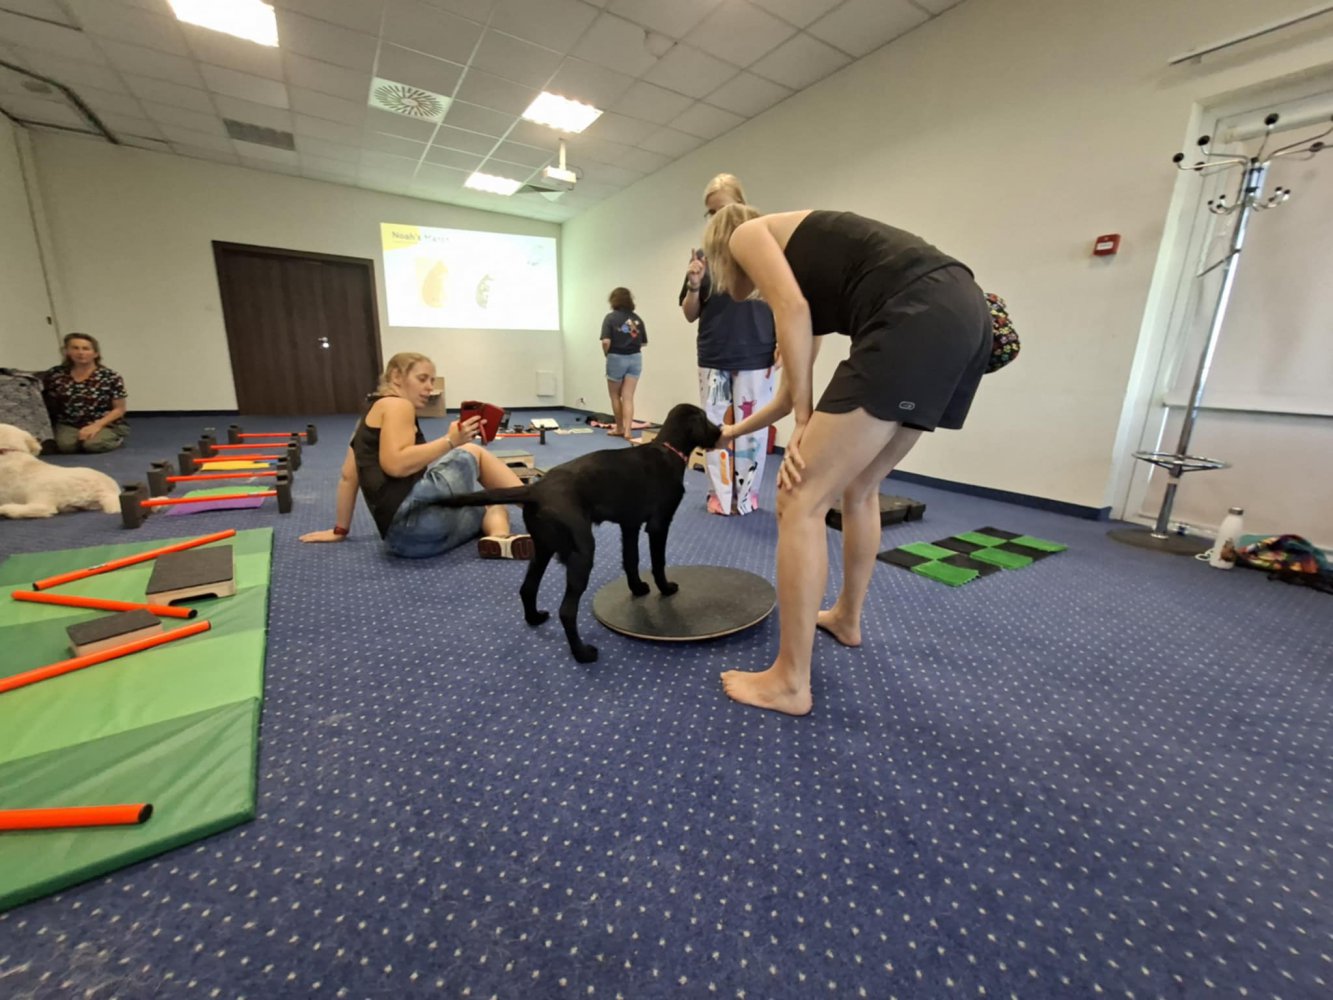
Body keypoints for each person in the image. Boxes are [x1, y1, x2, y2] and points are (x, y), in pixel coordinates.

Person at [704, 206, 991, 716]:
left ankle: (790, 682)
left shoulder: (748, 233)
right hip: (965, 315)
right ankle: (846, 618)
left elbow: (791, 313)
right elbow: (790, 392)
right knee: (860, 487)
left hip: (914, 312)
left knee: (799, 499)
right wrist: (727, 432)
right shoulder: (807, 271)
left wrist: (804, 423)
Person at [300, 352, 533, 559]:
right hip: (415, 516)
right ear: (396, 376)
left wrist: (340, 530)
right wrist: (451, 440)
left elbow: (348, 477)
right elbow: (396, 465)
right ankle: (538, 505)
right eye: (422, 379)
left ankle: (499, 538)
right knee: (474, 452)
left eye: (431, 380)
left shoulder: (367, 416)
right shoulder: (397, 405)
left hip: (403, 543)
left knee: (491, 503)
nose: (429, 387)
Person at [681, 174, 778, 515]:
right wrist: (694, 284)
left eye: (723, 209)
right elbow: (690, 313)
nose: (717, 218)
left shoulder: (766, 245)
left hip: (758, 352)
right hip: (714, 354)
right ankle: (720, 495)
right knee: (716, 428)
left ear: (741, 206)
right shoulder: (703, 257)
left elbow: (782, 296)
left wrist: (784, 340)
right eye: (711, 212)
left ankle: (746, 495)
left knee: (753, 431)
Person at [42, 332, 129, 453]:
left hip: (103, 422)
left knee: (92, 445)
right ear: (67, 351)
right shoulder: (55, 374)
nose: (80, 352)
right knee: (65, 447)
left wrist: (96, 426)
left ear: (95, 353)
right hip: (69, 422)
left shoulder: (110, 376)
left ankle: (116, 437)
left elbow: (119, 409)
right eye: (75, 348)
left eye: (86, 349)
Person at [600, 287, 647, 440]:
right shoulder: (637, 319)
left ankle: (619, 427)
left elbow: (606, 342)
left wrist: (607, 354)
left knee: (615, 395)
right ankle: (628, 431)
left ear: (613, 300)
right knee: (628, 396)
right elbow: (643, 343)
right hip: (635, 358)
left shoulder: (610, 318)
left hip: (616, 357)